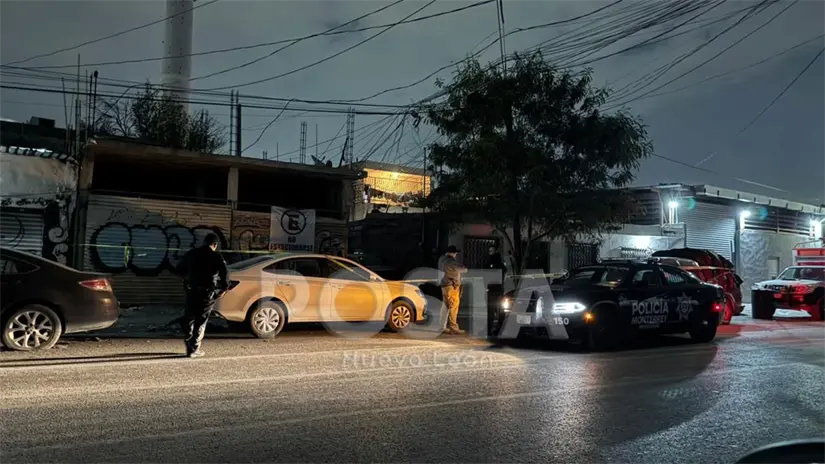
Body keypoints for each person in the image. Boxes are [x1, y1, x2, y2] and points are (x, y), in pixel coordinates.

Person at [175, 233, 230, 358]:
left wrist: (187, 278)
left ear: (204, 242)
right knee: (201, 319)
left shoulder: (192, 253)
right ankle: (194, 347)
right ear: (215, 244)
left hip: (192, 290)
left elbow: (179, 269)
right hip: (207, 293)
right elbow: (225, 274)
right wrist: (224, 288)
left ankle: (189, 341)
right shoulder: (216, 256)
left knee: (190, 316)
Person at [438, 245, 467, 335]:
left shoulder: (441, 259)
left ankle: (442, 327)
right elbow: (464, 269)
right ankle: (454, 328)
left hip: (444, 285)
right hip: (451, 286)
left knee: (445, 306)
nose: (456, 255)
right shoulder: (451, 261)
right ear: (452, 253)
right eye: (455, 253)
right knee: (453, 306)